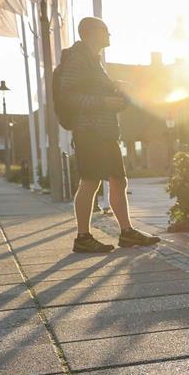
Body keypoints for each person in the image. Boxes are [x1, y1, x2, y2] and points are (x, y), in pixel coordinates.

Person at [62, 17, 160, 253]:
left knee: (119, 180)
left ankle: (126, 233)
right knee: (90, 181)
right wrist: (104, 100)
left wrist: (116, 89)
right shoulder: (77, 60)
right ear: (91, 33)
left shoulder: (94, 61)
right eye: (105, 31)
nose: (109, 35)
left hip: (105, 131)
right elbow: (69, 97)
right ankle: (83, 237)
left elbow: (94, 92)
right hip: (89, 131)